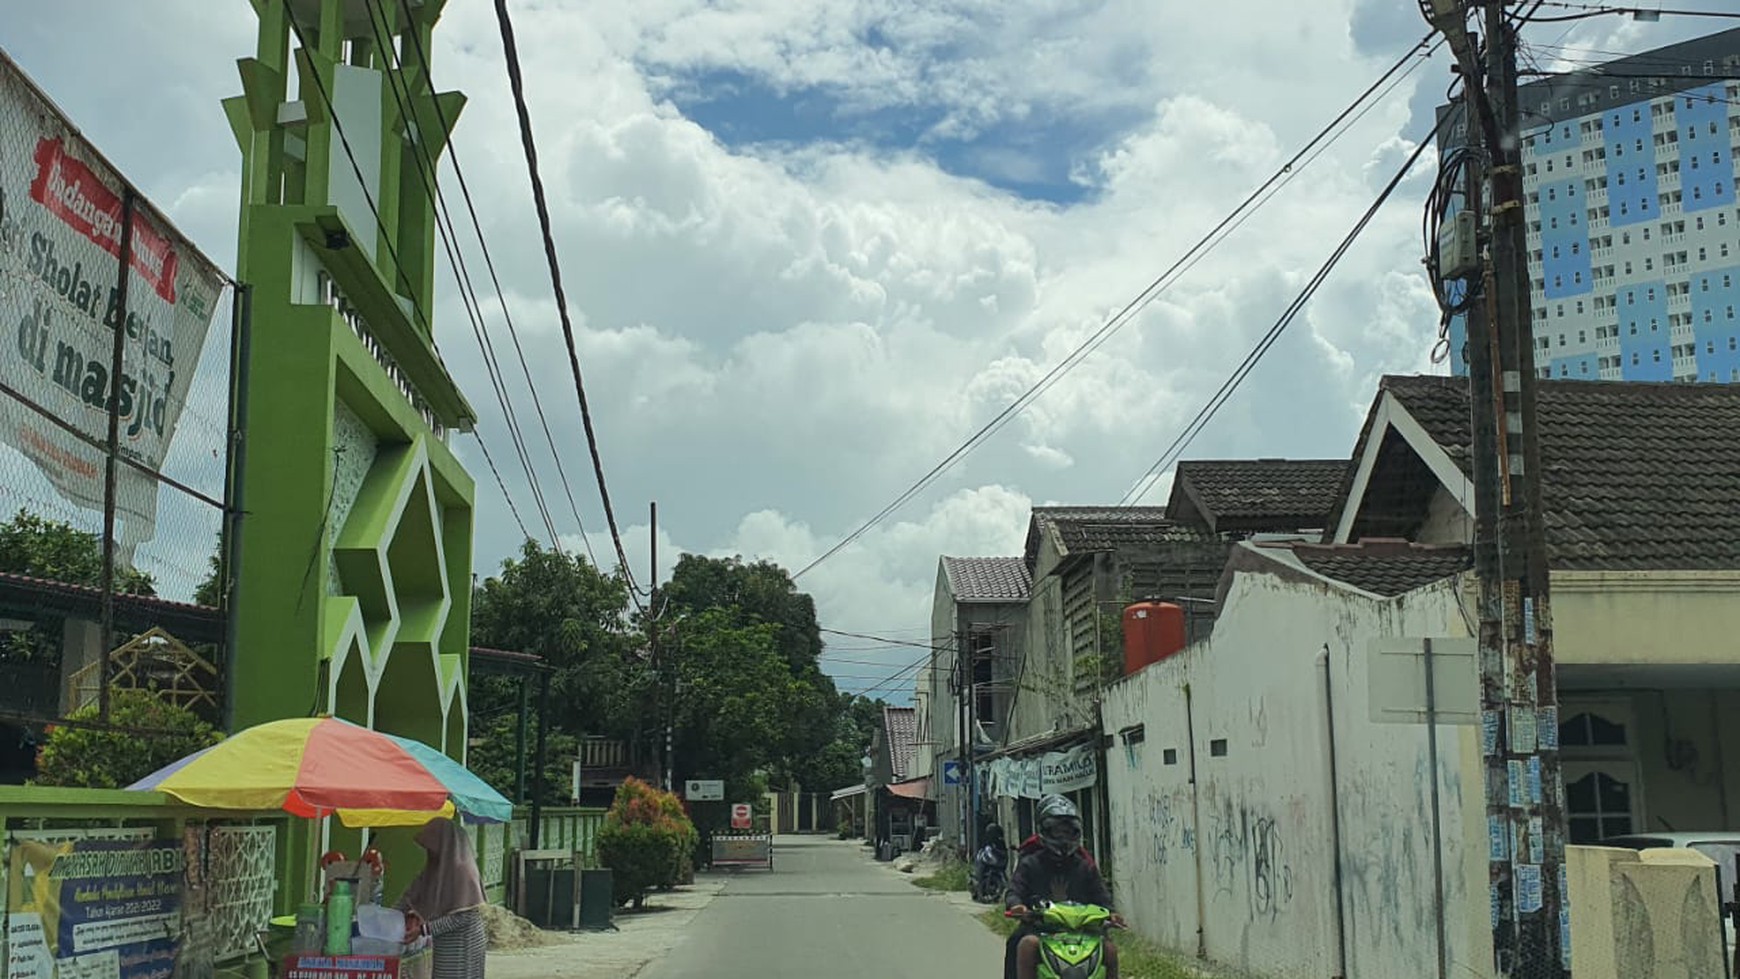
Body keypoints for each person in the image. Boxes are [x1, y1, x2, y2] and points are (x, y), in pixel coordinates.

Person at [1004, 795, 1123, 979]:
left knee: (1110, 950)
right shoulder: (1030, 864)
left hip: (1084, 933)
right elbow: (1015, 891)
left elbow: (1102, 897)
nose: (1064, 837)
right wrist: (1016, 905)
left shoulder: (1085, 867)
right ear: (1045, 831)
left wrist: (1112, 914)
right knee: (1023, 945)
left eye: (1069, 831)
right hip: (1041, 930)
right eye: (1058, 831)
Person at [397, 817, 488, 979]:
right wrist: (389, 915)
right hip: (444, 939)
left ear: (444, 846)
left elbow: (464, 916)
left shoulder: (464, 872)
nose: (430, 853)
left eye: (432, 848)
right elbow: (411, 895)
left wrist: (424, 930)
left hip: (464, 941)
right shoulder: (435, 870)